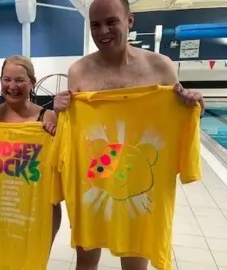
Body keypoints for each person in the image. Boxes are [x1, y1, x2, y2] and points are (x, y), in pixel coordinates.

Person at [52, 0, 204, 269]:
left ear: (129, 21)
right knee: (86, 259)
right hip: (93, 184)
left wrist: (194, 106)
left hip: (141, 186)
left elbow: (182, 113)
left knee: (135, 260)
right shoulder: (78, 71)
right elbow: (69, 125)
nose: (103, 31)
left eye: (111, 22)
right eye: (95, 25)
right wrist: (58, 109)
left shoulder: (161, 67)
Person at [0, 55, 62, 246]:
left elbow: (58, 170)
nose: (12, 86)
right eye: (6, 79)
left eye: (19, 80)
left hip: (34, 213)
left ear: (32, 83)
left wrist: (56, 136)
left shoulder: (46, 118)